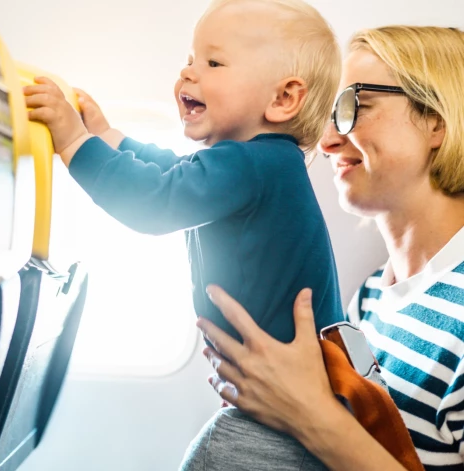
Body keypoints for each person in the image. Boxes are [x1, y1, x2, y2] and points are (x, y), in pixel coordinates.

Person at [196, 25, 464, 471]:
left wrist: (306, 413)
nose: (327, 140)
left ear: (437, 120)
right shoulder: (373, 295)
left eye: (353, 106)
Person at [23, 0, 343, 351]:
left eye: (214, 62)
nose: (187, 73)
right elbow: (175, 170)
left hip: (292, 390)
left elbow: (156, 201)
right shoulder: (260, 162)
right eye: (191, 60)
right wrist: (107, 137)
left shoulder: (259, 163)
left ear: (283, 98)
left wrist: (74, 142)